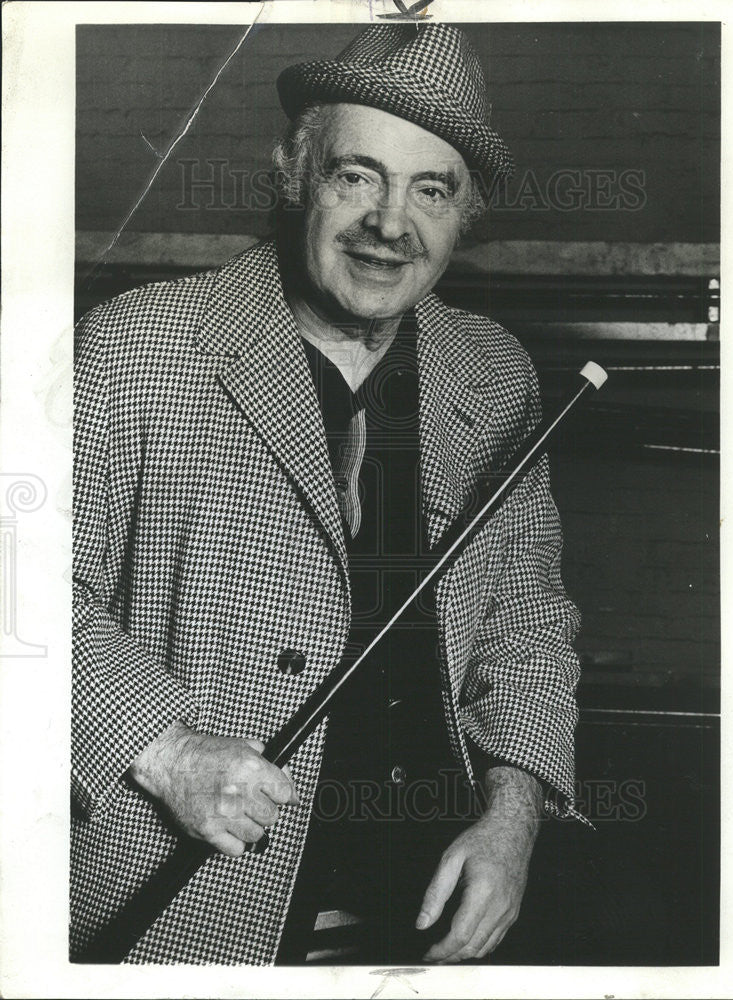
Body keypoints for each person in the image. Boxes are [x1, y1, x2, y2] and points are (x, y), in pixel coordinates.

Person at [71, 23, 583, 966]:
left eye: (431, 190)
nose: (391, 223)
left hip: (423, 916)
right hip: (185, 913)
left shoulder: (496, 374)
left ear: (463, 214)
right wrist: (167, 750)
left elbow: (526, 625)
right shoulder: (137, 347)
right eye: (357, 176)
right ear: (294, 174)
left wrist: (514, 819)